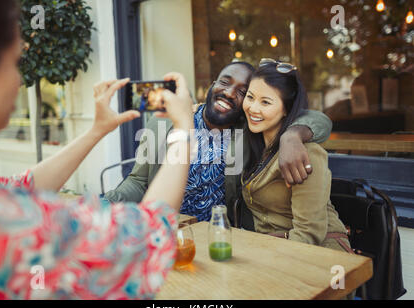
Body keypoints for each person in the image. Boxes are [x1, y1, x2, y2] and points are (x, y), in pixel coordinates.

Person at [0, 0, 195, 299]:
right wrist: (185, 129)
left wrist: (96, 131)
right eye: (14, 63)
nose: (19, 80)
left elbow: (21, 187)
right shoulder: (2, 223)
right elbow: (145, 239)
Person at [105, 62, 333, 222]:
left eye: (243, 92)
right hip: (169, 228)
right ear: (213, 85)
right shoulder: (165, 124)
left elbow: (319, 120)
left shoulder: (250, 132)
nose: (229, 93)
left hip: (222, 234)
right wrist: (106, 204)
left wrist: (292, 135)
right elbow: (138, 181)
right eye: (225, 82)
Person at [239, 59, 352, 253]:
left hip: (319, 255)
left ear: (286, 110)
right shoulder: (256, 145)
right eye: (250, 97)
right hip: (273, 248)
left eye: (265, 102)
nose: (253, 108)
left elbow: (308, 234)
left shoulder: (304, 153)